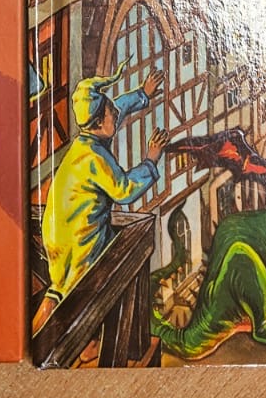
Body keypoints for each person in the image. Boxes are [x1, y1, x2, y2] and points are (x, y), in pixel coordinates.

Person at [31, 65, 167, 331]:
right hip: (79, 237)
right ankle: (71, 339)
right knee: (85, 286)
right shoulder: (94, 158)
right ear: (98, 124)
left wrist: (143, 94)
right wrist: (151, 160)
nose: (116, 113)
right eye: (110, 113)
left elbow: (118, 108)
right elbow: (124, 190)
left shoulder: (87, 141)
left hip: (58, 234)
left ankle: (40, 330)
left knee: (60, 286)